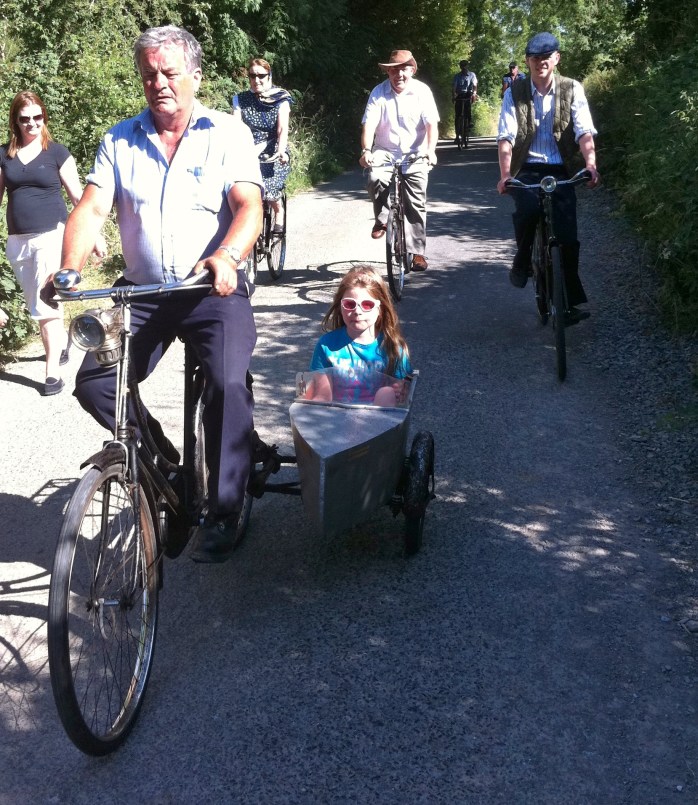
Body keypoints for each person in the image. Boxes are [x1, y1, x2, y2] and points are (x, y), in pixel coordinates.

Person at [58, 25, 264, 563]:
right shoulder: (119, 139)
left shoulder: (227, 133)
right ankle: (163, 464)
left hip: (211, 287)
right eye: (149, 74)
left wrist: (227, 257)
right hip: (143, 290)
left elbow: (249, 208)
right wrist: (68, 269)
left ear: (195, 76)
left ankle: (224, 505)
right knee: (97, 382)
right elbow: (92, 208)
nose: (159, 83)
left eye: (169, 72)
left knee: (225, 380)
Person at [0, 91, 105, 395]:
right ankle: (59, 344)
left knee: (46, 300)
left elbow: (78, 197)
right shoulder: (5, 155)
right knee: (36, 297)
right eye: (25, 119)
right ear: (15, 122)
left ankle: (52, 373)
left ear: (44, 117)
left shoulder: (56, 153)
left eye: (37, 117)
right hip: (19, 241)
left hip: (52, 234)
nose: (32, 123)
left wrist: (94, 234)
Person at [496, 31, 600, 323]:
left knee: (567, 237)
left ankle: (566, 304)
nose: (541, 62)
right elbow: (506, 136)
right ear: (527, 61)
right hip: (527, 167)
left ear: (556, 58)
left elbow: (584, 130)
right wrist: (505, 175)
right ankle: (522, 260)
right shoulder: (514, 92)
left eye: (546, 57)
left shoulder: (572, 88)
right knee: (528, 209)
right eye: (534, 57)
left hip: (562, 168)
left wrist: (590, 164)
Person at [359, 49, 439, 272]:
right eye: (394, 70)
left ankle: (418, 253)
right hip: (385, 150)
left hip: (416, 152)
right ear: (388, 73)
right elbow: (369, 125)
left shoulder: (422, 92)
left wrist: (431, 151)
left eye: (403, 69)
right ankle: (382, 218)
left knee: (415, 200)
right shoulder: (378, 92)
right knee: (374, 177)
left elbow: (432, 125)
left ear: (412, 69)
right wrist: (366, 150)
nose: (399, 74)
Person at [307, 265, 412, 406]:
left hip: (380, 423)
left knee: (387, 393)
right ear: (340, 307)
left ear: (380, 309)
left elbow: (402, 394)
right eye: (349, 304)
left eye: (367, 304)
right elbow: (322, 395)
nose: (357, 311)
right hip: (336, 420)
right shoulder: (327, 345)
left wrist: (401, 389)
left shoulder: (392, 348)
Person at [232, 57, 292, 233]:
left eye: (261, 76)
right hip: (249, 148)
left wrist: (281, 150)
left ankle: (278, 211)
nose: (256, 80)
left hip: (274, 148)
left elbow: (282, 128)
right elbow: (236, 128)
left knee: (270, 189)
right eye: (252, 76)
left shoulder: (281, 98)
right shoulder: (240, 99)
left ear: (269, 75)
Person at [452, 59, 478, 143]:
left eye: (465, 65)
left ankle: (468, 123)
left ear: (467, 66)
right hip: (460, 94)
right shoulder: (457, 76)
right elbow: (454, 87)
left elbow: (474, 85)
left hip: (468, 94)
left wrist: (474, 94)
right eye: (462, 66)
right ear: (460, 67)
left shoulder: (472, 75)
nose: (463, 67)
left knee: (467, 110)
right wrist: (453, 96)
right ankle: (457, 136)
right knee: (457, 115)